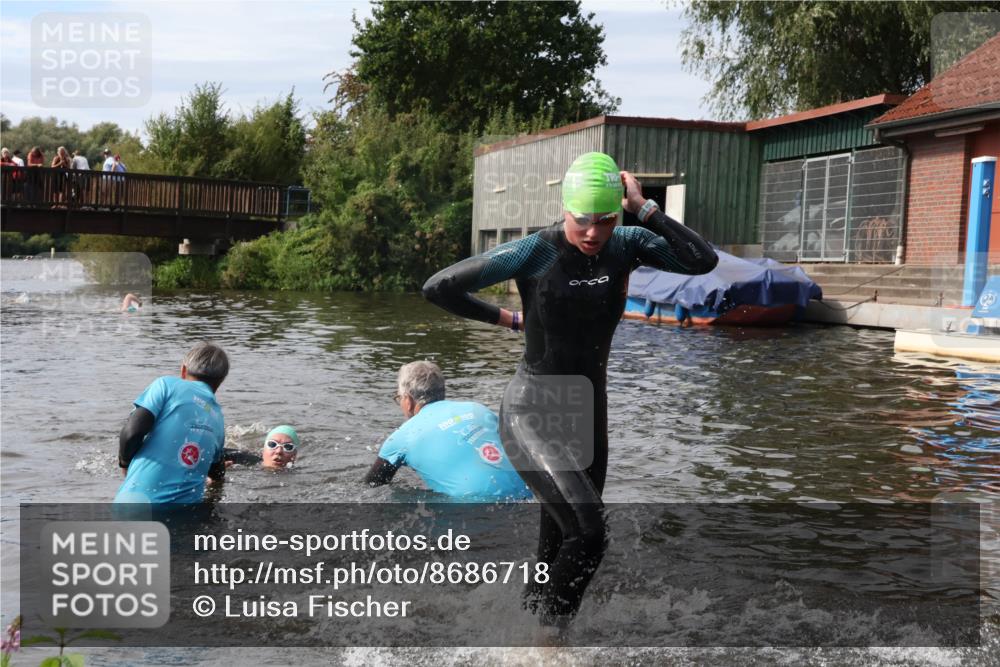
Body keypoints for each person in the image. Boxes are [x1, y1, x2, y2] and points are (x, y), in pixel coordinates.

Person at [422, 152, 718, 629]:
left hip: (587, 413)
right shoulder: (534, 251)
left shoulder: (630, 243)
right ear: (565, 209)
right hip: (533, 409)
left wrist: (646, 209)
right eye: (582, 220)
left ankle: (527, 625)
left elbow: (702, 261)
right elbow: (439, 288)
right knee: (590, 532)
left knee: (559, 540)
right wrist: (509, 318)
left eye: (605, 220)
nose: (593, 232)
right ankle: (543, 647)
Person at [364, 360, 531, 499]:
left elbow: (372, 485)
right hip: (529, 491)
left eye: (398, 398)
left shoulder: (400, 438)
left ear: (407, 400)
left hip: (475, 508)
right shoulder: (477, 408)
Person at [114, 342, 229, 504]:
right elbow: (217, 473)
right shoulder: (218, 417)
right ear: (221, 381)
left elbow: (132, 432)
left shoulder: (166, 385)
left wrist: (125, 464)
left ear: (183, 370)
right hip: (186, 514)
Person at [223, 425, 301, 470]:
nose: (278, 451)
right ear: (264, 450)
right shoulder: (240, 459)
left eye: (287, 447)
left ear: (294, 456)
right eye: (272, 444)